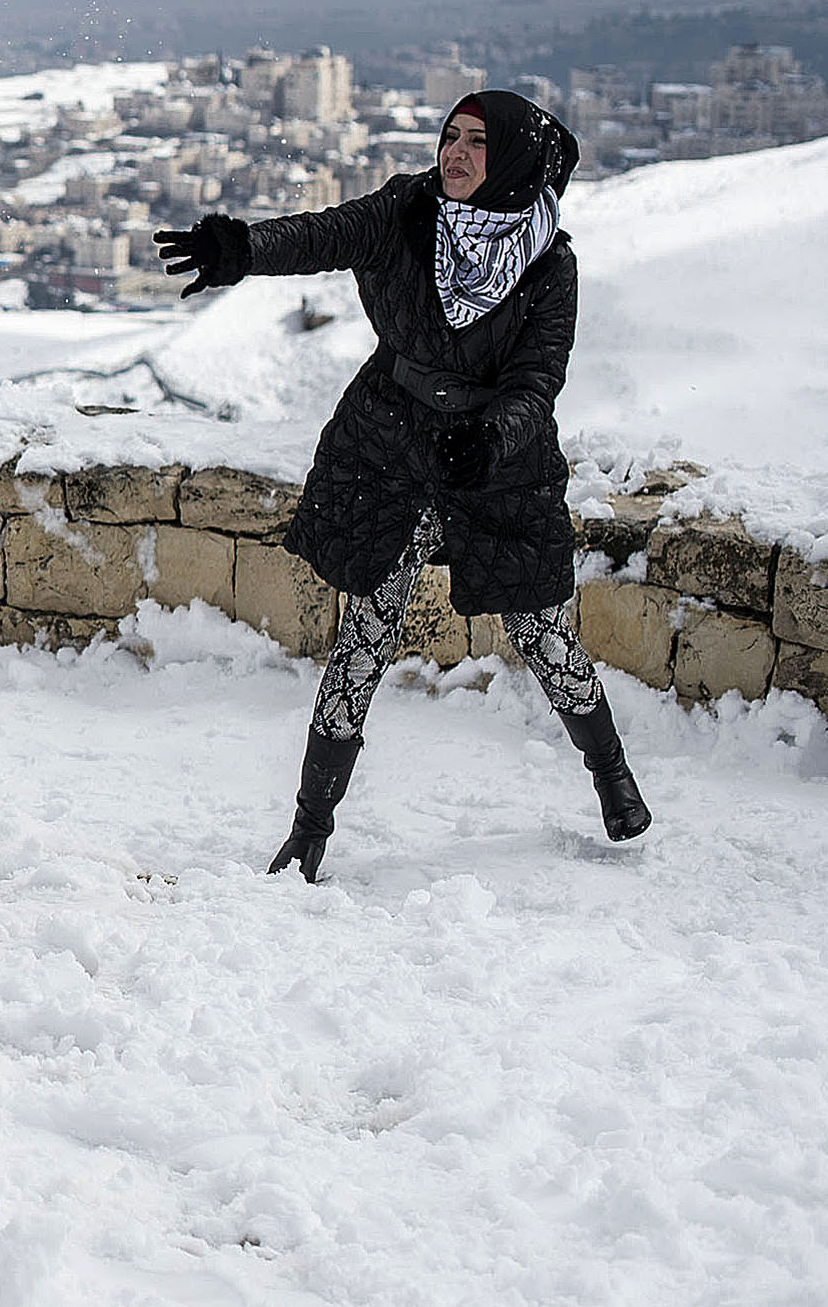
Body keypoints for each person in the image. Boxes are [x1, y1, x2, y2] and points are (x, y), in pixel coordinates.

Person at [157, 90, 651, 882]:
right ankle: (309, 830)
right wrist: (241, 249)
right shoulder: (407, 210)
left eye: (477, 142)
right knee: (366, 634)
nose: (454, 152)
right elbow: (323, 234)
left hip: (494, 463)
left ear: (514, 163)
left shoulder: (550, 264)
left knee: (542, 632)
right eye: (450, 135)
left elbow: (537, 380)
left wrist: (490, 438)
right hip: (388, 447)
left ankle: (611, 775)